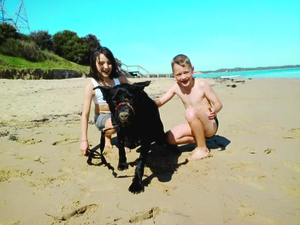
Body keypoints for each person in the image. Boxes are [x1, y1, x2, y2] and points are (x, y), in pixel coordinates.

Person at [155, 54, 223, 161]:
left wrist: (214, 110)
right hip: (195, 124)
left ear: (192, 70)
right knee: (169, 138)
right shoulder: (176, 87)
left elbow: (218, 103)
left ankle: (202, 148)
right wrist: (147, 103)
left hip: (209, 123)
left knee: (190, 111)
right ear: (173, 75)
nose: (183, 77)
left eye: (186, 72)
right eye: (179, 74)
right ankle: (200, 139)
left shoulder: (201, 85)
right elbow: (160, 101)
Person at [80, 46, 130, 156]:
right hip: (102, 117)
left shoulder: (120, 79)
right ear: (94, 64)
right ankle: (108, 136)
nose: (106, 67)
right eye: (101, 63)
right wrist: (84, 140)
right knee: (114, 122)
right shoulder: (91, 86)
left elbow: (134, 92)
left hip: (120, 113)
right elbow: (85, 114)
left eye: (109, 63)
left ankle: (127, 138)